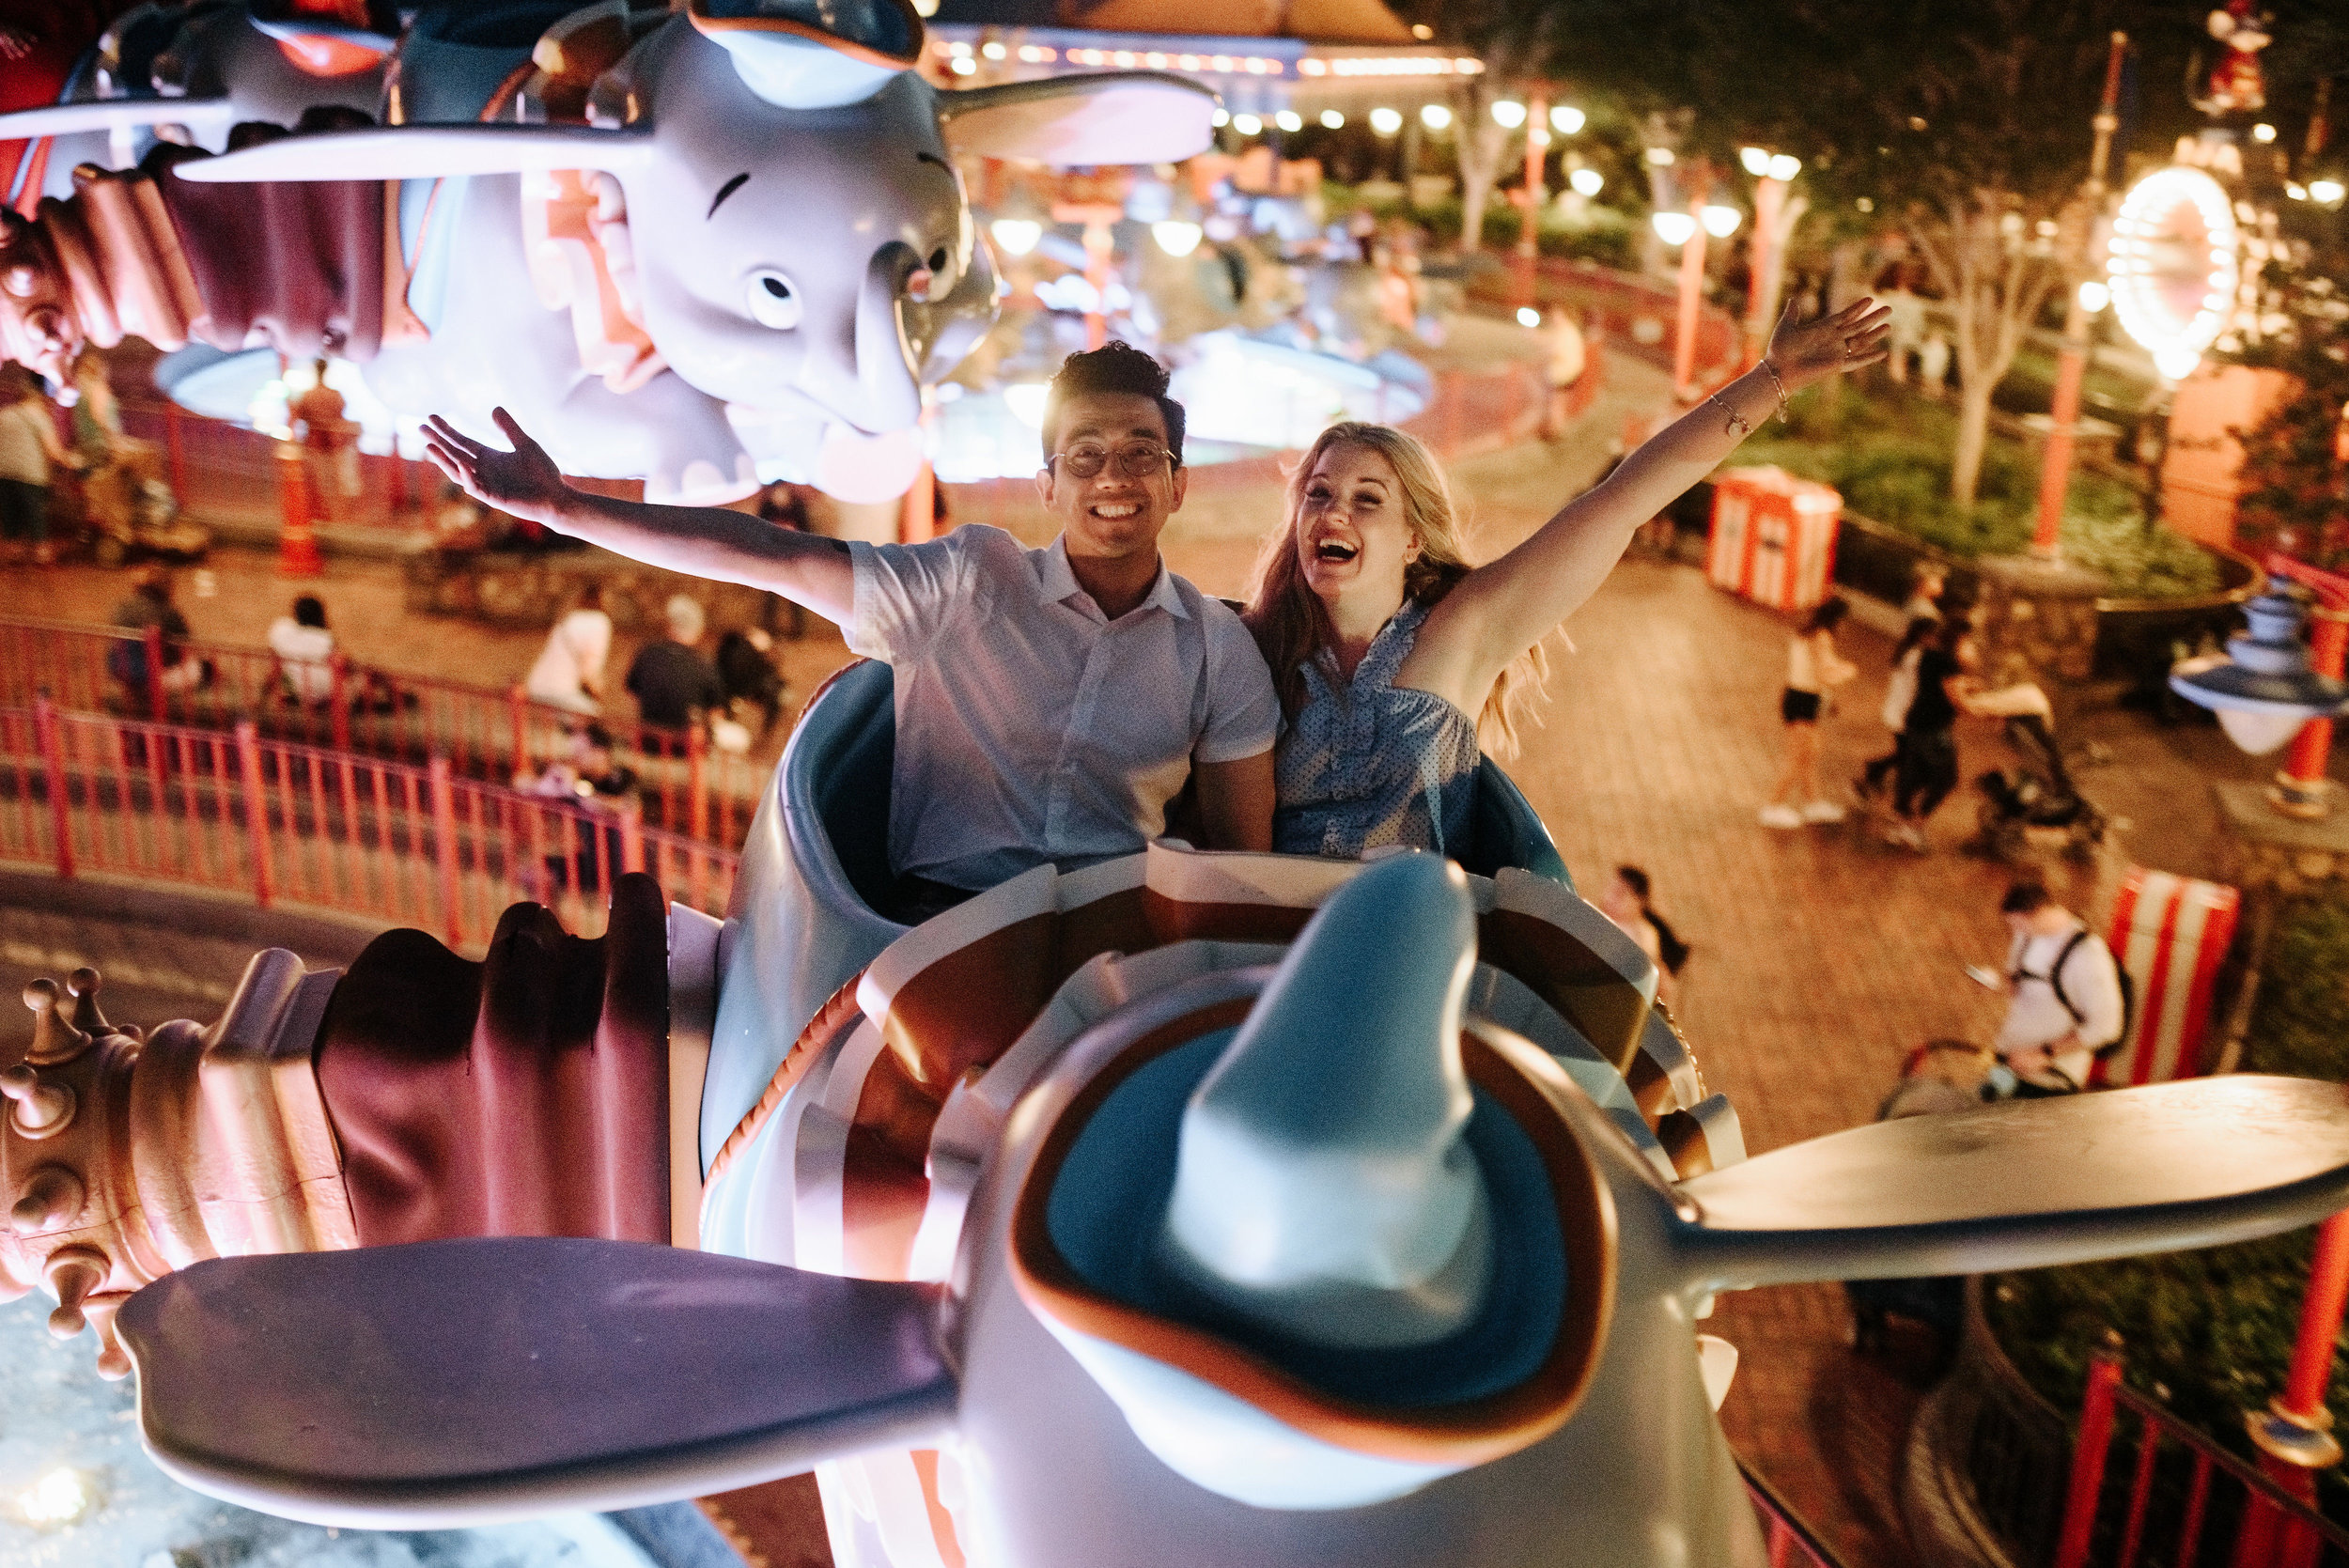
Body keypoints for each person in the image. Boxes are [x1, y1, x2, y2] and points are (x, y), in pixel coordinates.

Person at [421, 341, 1280, 916]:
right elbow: (772, 556)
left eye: (1140, 453)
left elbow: (1246, 866)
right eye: (1085, 454)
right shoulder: (970, 582)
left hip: (1112, 937)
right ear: (1049, 485)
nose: (1114, 476)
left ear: (1177, 484)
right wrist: (568, 507)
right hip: (941, 924)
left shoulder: (1216, 649)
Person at [1243, 297, 1889, 862]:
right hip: (1271, 942)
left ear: (1414, 536)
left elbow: (1622, 501)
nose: (1332, 512)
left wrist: (1772, 378)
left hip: (1407, 948)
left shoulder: (1459, 631)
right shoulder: (1255, 647)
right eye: (1319, 493)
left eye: (1367, 499)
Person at [1989, 879, 2123, 1095]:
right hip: (2009, 1061)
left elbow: (2107, 1027)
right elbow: (2017, 979)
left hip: (2050, 1079)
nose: (2015, 931)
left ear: (2036, 913)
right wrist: (1998, 984)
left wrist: (2043, 1054)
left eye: (2017, 924)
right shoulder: (2027, 934)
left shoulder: (2088, 956)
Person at [1760, 597, 1859, 829]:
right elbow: (1824, 676)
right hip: (1803, 700)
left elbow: (1819, 669)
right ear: (1838, 618)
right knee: (1797, 758)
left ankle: (1814, 804)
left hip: (1800, 697)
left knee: (1810, 754)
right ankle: (1772, 807)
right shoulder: (1822, 637)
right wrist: (1848, 671)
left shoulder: (1807, 632)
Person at [1888, 613, 1982, 849]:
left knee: (1913, 774)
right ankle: (1916, 825)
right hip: (1934, 728)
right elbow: (1954, 697)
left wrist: (1967, 682)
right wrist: (1980, 709)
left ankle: (1903, 824)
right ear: (1961, 638)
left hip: (1916, 720)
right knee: (1947, 778)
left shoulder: (1930, 654)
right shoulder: (1947, 661)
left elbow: (1937, 685)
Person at [1858, 613, 1939, 800]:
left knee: (1906, 753)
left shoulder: (1907, 650)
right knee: (1909, 754)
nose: (1935, 640)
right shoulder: (1917, 657)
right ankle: (1876, 773)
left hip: (1897, 709)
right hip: (1904, 713)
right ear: (1922, 634)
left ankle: (1876, 773)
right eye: (1932, 635)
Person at [0, 366, 70, 566]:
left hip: (4, 473)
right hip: (31, 476)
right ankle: (42, 555)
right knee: (35, 516)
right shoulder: (40, 417)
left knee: (10, 517)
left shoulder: (4, 414)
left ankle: (12, 554)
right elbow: (54, 451)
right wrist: (69, 462)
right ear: (40, 398)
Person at [625, 594, 724, 732]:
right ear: (698, 628)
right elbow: (716, 711)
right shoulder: (702, 664)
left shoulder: (648, 653)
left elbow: (632, 691)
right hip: (685, 746)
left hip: (648, 737)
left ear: (669, 624)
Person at [109, 566, 210, 696]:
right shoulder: (167, 612)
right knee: (203, 668)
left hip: (119, 669)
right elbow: (185, 643)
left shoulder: (123, 607)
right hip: (150, 675)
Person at [1597, 864, 1688, 1005]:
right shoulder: (1601, 922)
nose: (1609, 897)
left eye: (1619, 893)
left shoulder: (1644, 936)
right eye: (1610, 889)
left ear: (1639, 902)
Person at [525, 582, 613, 716]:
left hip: (535, 689)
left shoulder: (569, 618)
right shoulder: (600, 622)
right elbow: (589, 672)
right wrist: (599, 690)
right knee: (593, 720)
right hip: (560, 694)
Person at [290, 360, 362, 524]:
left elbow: (299, 416)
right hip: (335, 445)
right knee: (337, 482)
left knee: (322, 482)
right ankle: (340, 516)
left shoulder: (309, 395)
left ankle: (325, 515)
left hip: (316, 445)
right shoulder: (334, 395)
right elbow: (340, 414)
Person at [716, 624, 787, 739]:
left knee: (777, 695)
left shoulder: (733, 646)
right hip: (735, 685)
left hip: (742, 684)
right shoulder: (739, 650)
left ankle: (764, 736)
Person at [268, 594, 337, 706]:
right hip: (327, 695)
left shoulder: (282, 630)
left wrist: (264, 697)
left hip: (299, 692)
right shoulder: (325, 639)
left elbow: (274, 666)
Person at [1538, 308, 1587, 441]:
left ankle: (1553, 432)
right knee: (1559, 401)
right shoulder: (1570, 330)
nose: (1553, 318)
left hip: (1563, 372)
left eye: (1556, 315)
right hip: (1571, 372)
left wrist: (1547, 353)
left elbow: (1559, 352)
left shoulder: (1566, 332)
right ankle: (1557, 429)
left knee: (1556, 401)